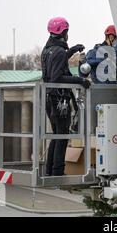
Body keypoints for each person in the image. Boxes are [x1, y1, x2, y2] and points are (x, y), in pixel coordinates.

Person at [41, 17, 90, 176]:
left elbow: (58, 60)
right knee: (62, 136)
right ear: (64, 32)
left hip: (49, 99)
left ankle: (50, 171)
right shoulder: (59, 51)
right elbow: (56, 78)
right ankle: (57, 173)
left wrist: (72, 50)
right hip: (59, 100)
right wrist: (80, 80)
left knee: (56, 135)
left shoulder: (47, 50)